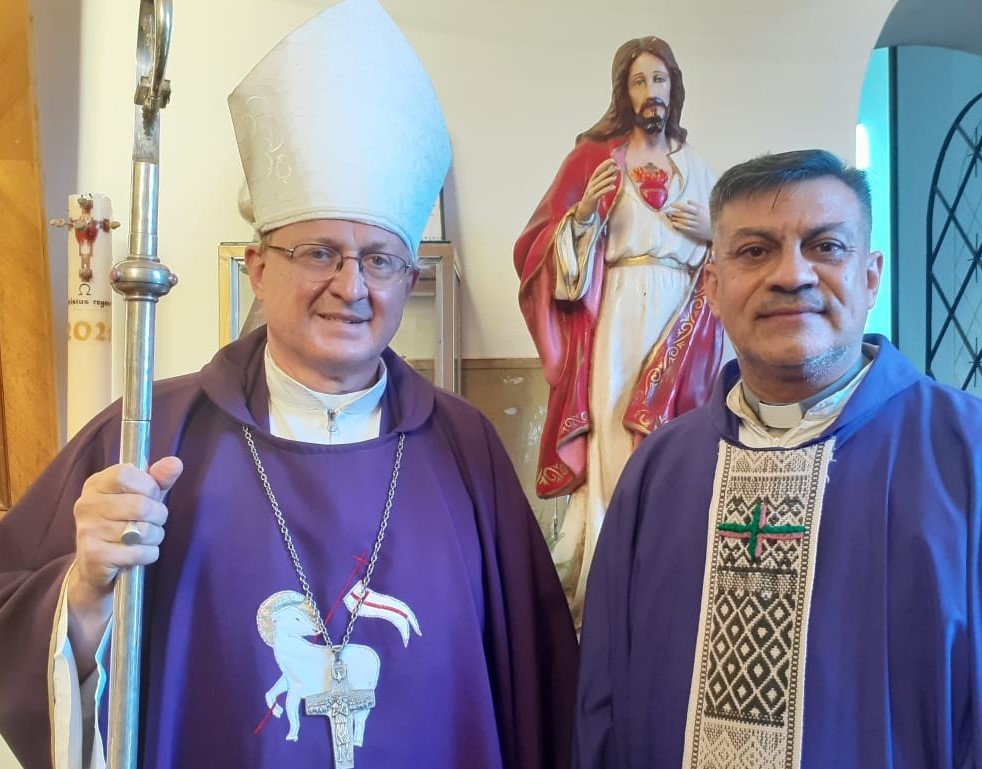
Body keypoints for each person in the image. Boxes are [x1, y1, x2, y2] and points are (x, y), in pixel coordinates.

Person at [0, 2, 577, 768]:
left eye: (380, 259)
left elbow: (540, 688)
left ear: (408, 279)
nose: (352, 286)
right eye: (320, 252)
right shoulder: (150, 435)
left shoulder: (467, 451)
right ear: (259, 268)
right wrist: (84, 592)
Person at [574, 148, 982, 768]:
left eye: (826, 247)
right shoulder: (658, 473)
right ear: (712, 287)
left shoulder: (965, 451)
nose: (792, 275)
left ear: (871, 276)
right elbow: (603, 701)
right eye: (755, 250)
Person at [513, 36, 724, 624]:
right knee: (613, 436)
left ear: (673, 88)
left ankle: (670, 569)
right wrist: (584, 215)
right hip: (618, 314)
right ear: (623, 92)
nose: (650, 91)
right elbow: (540, 254)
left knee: (676, 437)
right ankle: (609, 575)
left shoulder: (698, 169)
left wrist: (716, 233)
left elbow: (735, 260)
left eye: (659, 79)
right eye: (638, 81)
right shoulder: (597, 162)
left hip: (684, 322)